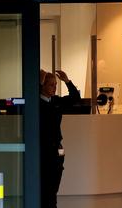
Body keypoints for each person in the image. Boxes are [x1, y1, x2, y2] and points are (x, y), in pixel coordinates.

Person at [39, 69, 81, 208]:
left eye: (56, 84)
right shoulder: (36, 104)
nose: (54, 88)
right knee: (45, 190)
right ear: (42, 85)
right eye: (51, 85)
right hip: (42, 151)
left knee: (53, 189)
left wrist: (67, 81)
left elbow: (75, 98)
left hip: (56, 150)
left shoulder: (55, 102)